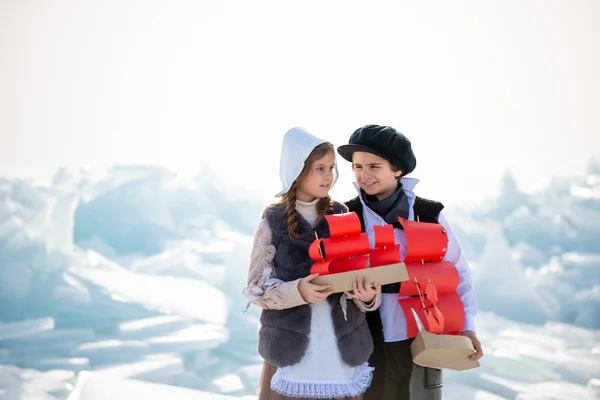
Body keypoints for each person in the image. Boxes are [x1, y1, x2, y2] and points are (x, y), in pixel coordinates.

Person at [337, 124, 484, 400]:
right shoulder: (347, 215)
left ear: (397, 169)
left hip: (424, 335)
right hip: (366, 338)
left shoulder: (429, 214)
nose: (363, 175)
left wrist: (467, 327)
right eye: (357, 167)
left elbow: (457, 272)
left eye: (374, 166)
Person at [243, 127, 382, 400]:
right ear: (296, 169)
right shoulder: (273, 219)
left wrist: (368, 297)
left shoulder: (342, 214)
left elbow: (360, 274)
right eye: (319, 168)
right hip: (291, 353)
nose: (328, 175)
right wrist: (299, 292)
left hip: (341, 351)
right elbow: (256, 288)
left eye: (331, 167)